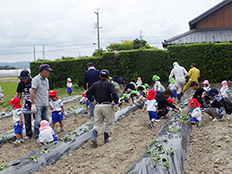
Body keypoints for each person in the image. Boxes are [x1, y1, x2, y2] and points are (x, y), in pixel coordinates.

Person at [86, 69, 119, 147]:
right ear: (108, 76)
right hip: (107, 105)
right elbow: (114, 94)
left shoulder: (95, 84)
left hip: (97, 106)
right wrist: (116, 103)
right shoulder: (109, 84)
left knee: (97, 123)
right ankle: (106, 138)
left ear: (99, 76)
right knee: (109, 122)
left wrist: (92, 101)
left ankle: (94, 137)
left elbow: (88, 93)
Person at [30, 64, 53, 139]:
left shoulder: (46, 80)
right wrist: (33, 104)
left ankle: (46, 135)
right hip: (38, 104)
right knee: (38, 121)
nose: (49, 73)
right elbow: (32, 91)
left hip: (45, 103)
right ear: (43, 71)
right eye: (48, 71)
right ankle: (37, 136)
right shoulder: (36, 79)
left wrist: (49, 101)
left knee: (46, 120)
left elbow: (47, 91)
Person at [15, 70, 32, 139]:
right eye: (22, 78)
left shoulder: (33, 82)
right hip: (26, 102)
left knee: (37, 118)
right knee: (27, 119)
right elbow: (18, 93)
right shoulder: (21, 84)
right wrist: (15, 101)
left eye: (24, 78)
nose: (23, 80)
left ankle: (38, 133)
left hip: (35, 101)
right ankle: (28, 134)